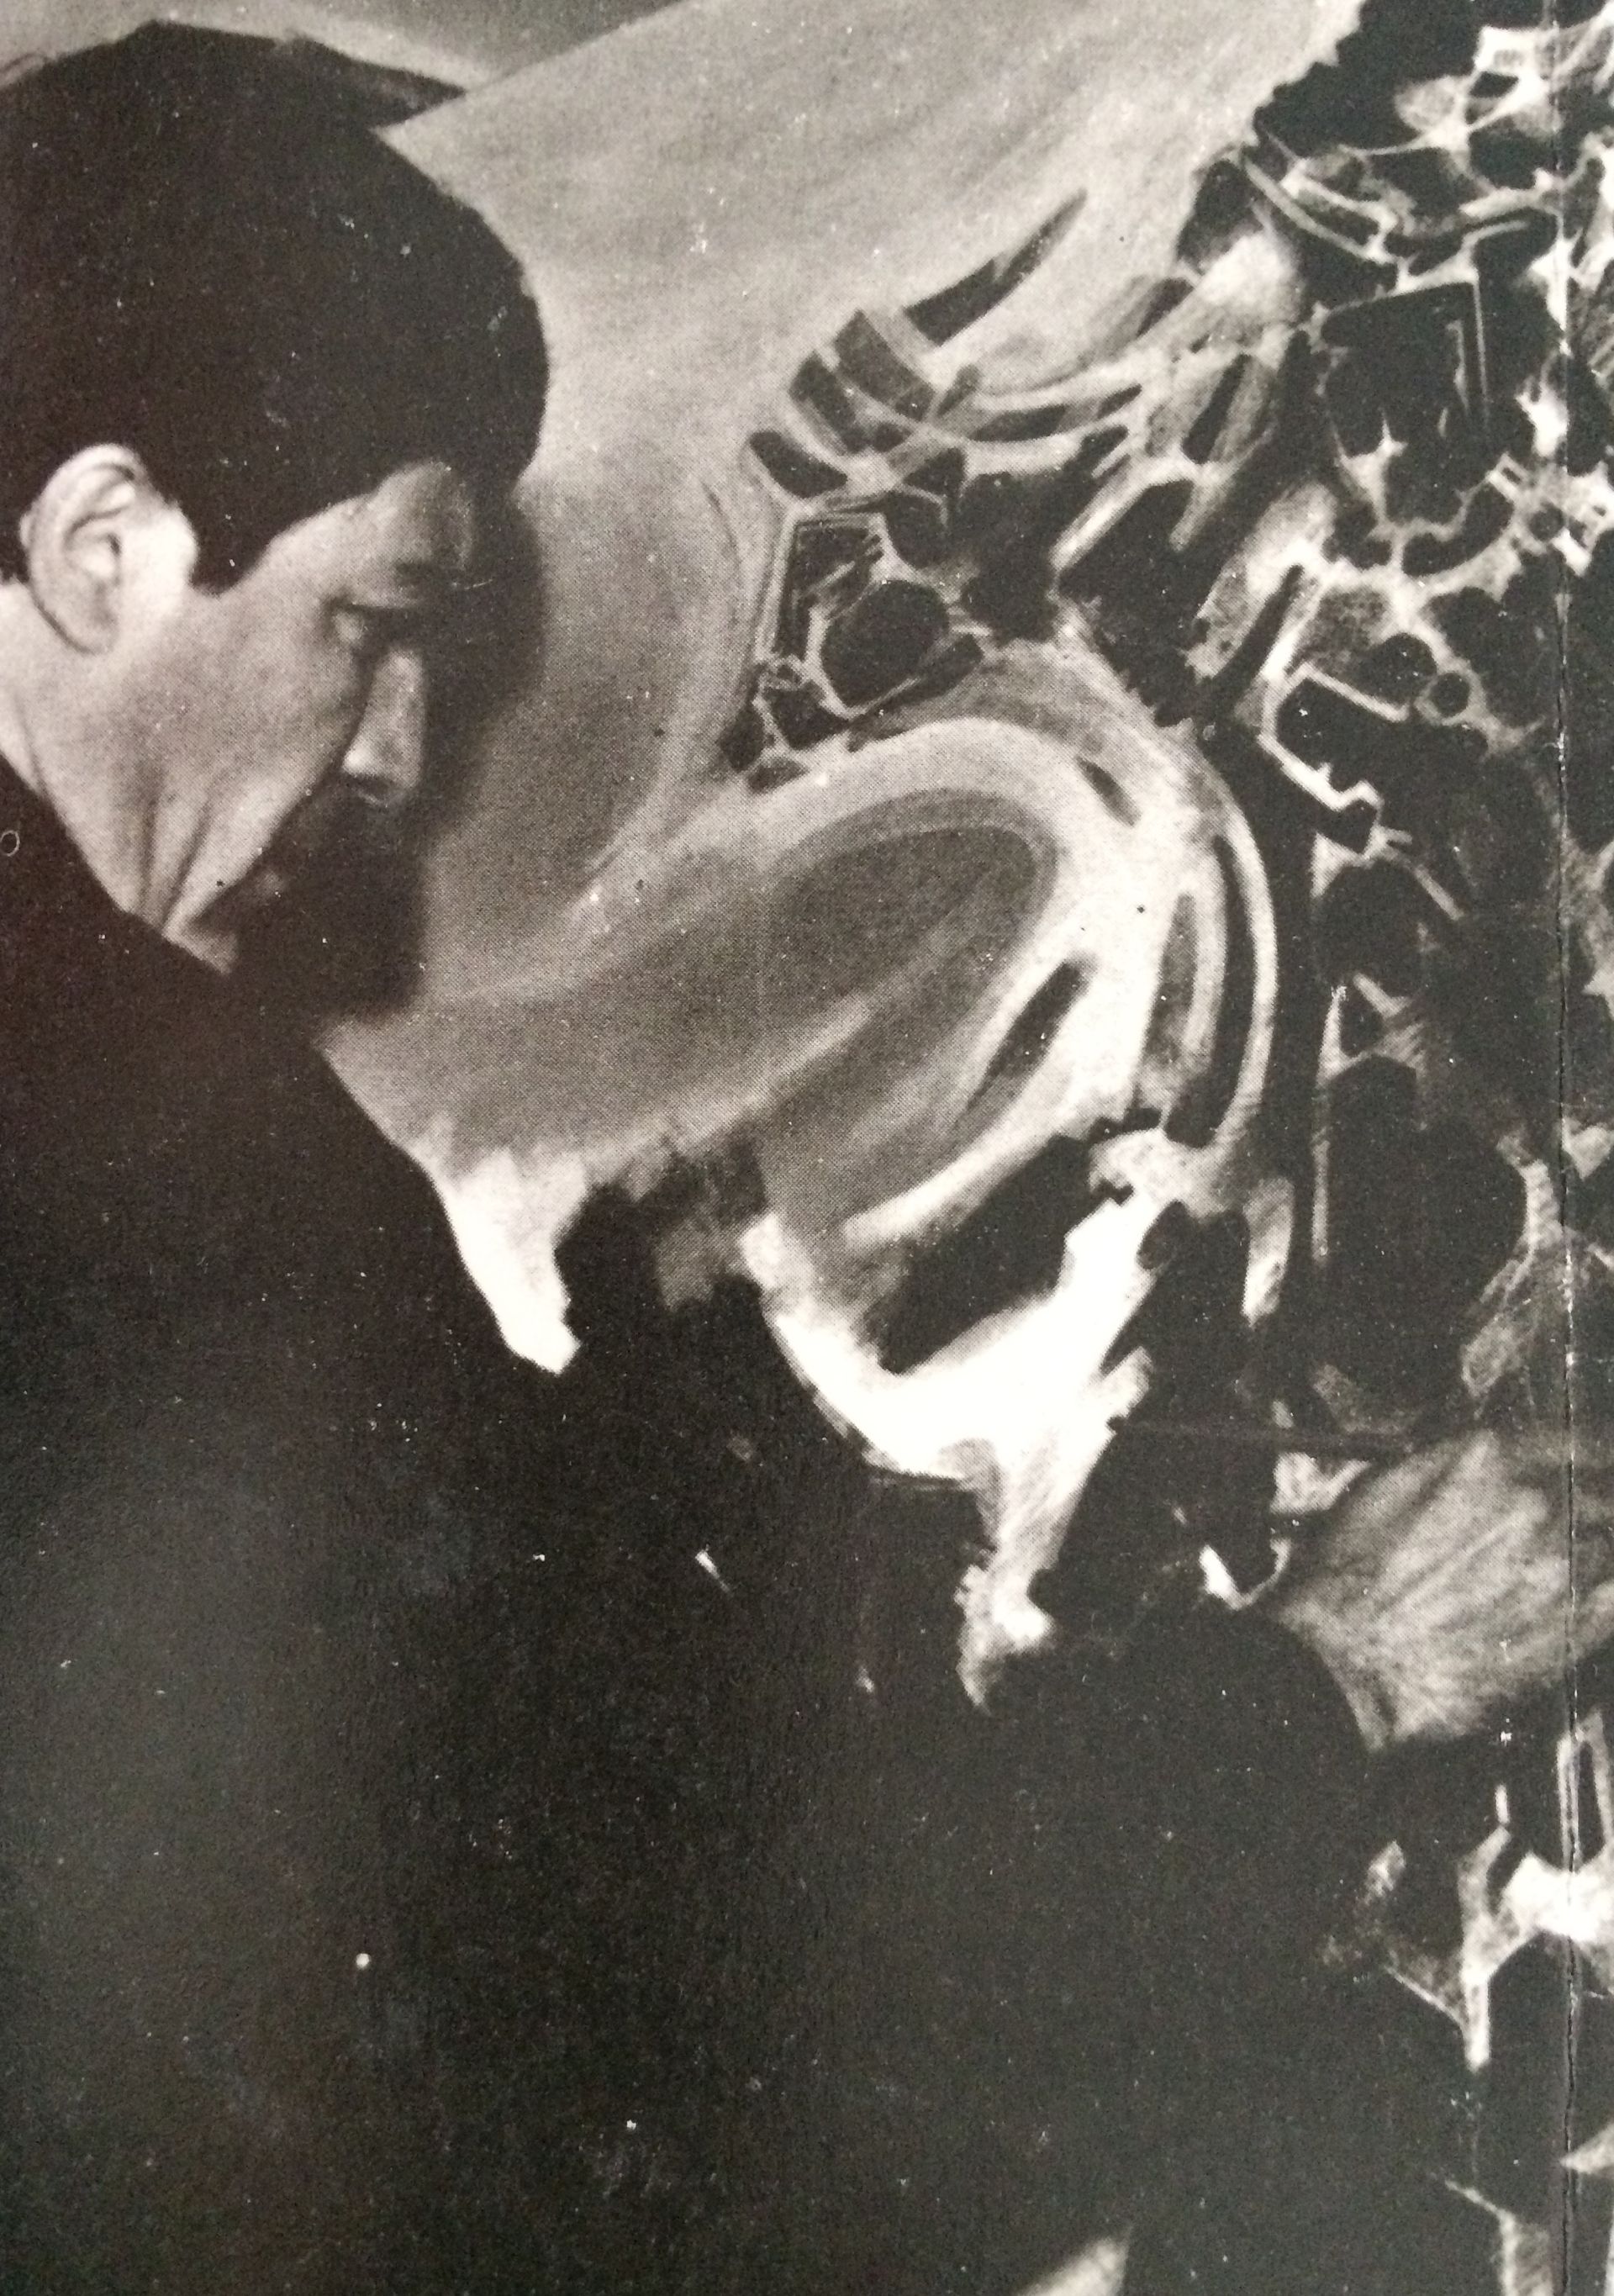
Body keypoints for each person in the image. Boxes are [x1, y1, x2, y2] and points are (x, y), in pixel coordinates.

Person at [0, 19, 1607, 2296]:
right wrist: (1327, 1679)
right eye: (369, 622)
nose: (399, 753)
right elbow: (672, 2090)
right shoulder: (138, 1200)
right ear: (105, 545)